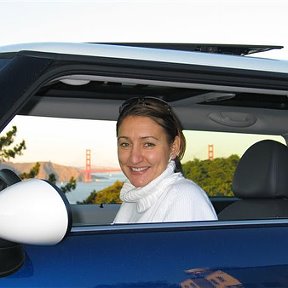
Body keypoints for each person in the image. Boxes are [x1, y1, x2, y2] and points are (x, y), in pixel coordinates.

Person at [113, 97, 217, 223]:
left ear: (174, 147)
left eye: (148, 144)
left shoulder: (184, 197)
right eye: (125, 144)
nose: (134, 159)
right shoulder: (133, 199)